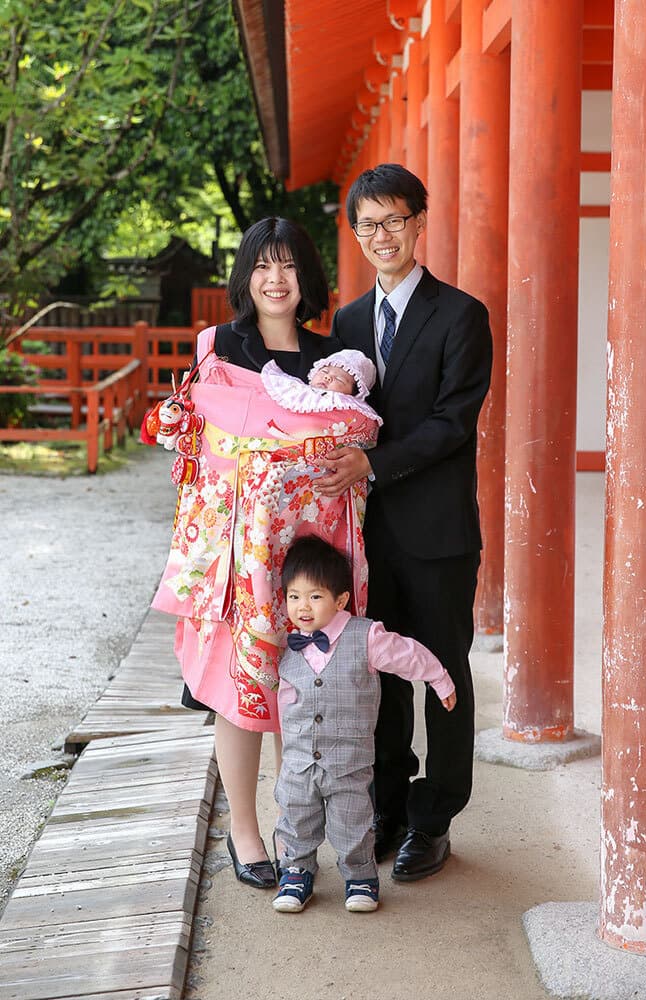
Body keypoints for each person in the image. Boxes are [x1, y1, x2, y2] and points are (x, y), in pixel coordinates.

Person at [152, 217, 368, 891]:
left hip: (309, 555)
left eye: (290, 266)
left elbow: (355, 442)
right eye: (263, 266)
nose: (276, 280)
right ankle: (245, 831)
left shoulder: (333, 361)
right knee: (240, 690)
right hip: (236, 553)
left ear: (308, 278)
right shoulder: (218, 346)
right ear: (246, 276)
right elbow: (199, 442)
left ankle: (294, 832)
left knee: (304, 689)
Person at [317, 164, 492, 882]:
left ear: (419, 222)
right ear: (357, 233)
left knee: (442, 671)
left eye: (394, 220)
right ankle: (387, 806)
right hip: (366, 533)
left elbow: (454, 422)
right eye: (368, 224)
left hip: (438, 531)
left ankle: (435, 817)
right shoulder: (348, 322)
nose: (381, 235)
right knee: (378, 675)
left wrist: (374, 464)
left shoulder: (462, 314)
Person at [271, 535, 455, 914]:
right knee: (296, 817)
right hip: (299, 763)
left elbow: (406, 654)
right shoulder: (286, 648)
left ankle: (359, 875)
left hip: (348, 763)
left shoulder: (365, 636)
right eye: (294, 596)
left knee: (352, 822)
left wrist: (438, 677)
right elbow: (286, 706)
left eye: (315, 596)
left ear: (340, 600)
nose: (303, 606)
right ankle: (297, 871)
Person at [260, 348, 382, 426]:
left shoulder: (352, 408)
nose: (328, 377)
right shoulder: (299, 390)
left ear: (355, 394)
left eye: (339, 379)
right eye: (324, 371)